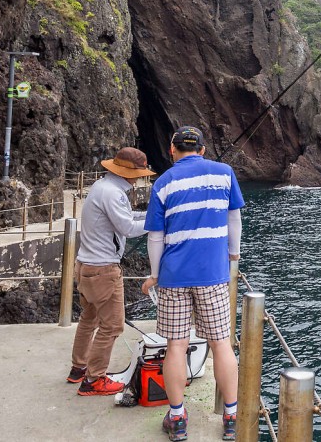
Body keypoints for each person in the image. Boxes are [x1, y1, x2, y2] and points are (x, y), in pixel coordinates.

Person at [141, 126, 243, 442]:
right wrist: (233, 256)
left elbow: (155, 237)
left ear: (172, 150)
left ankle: (177, 419)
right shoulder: (224, 173)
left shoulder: (163, 182)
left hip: (173, 277)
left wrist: (155, 274)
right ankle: (231, 417)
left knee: (175, 346)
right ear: (201, 149)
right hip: (213, 275)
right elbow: (234, 220)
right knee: (221, 344)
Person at [69, 147, 155, 396]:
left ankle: (79, 369)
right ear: (128, 172)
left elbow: (127, 217)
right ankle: (94, 379)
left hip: (85, 265)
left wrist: (151, 215)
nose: (139, 177)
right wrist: (157, 223)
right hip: (103, 270)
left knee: (89, 318)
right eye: (137, 172)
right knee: (112, 326)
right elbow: (127, 227)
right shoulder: (113, 194)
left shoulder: (102, 187)